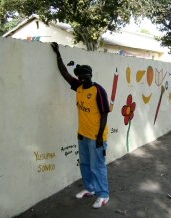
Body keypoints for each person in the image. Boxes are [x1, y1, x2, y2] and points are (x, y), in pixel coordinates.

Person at [51, 42, 110, 208]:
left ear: (90, 75)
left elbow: (105, 114)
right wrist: (58, 54)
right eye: (80, 77)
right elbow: (64, 73)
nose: (82, 79)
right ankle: (90, 189)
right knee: (85, 164)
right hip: (83, 134)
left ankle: (103, 195)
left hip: (96, 137)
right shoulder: (79, 88)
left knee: (97, 166)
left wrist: (99, 137)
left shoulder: (99, 91)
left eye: (84, 76)